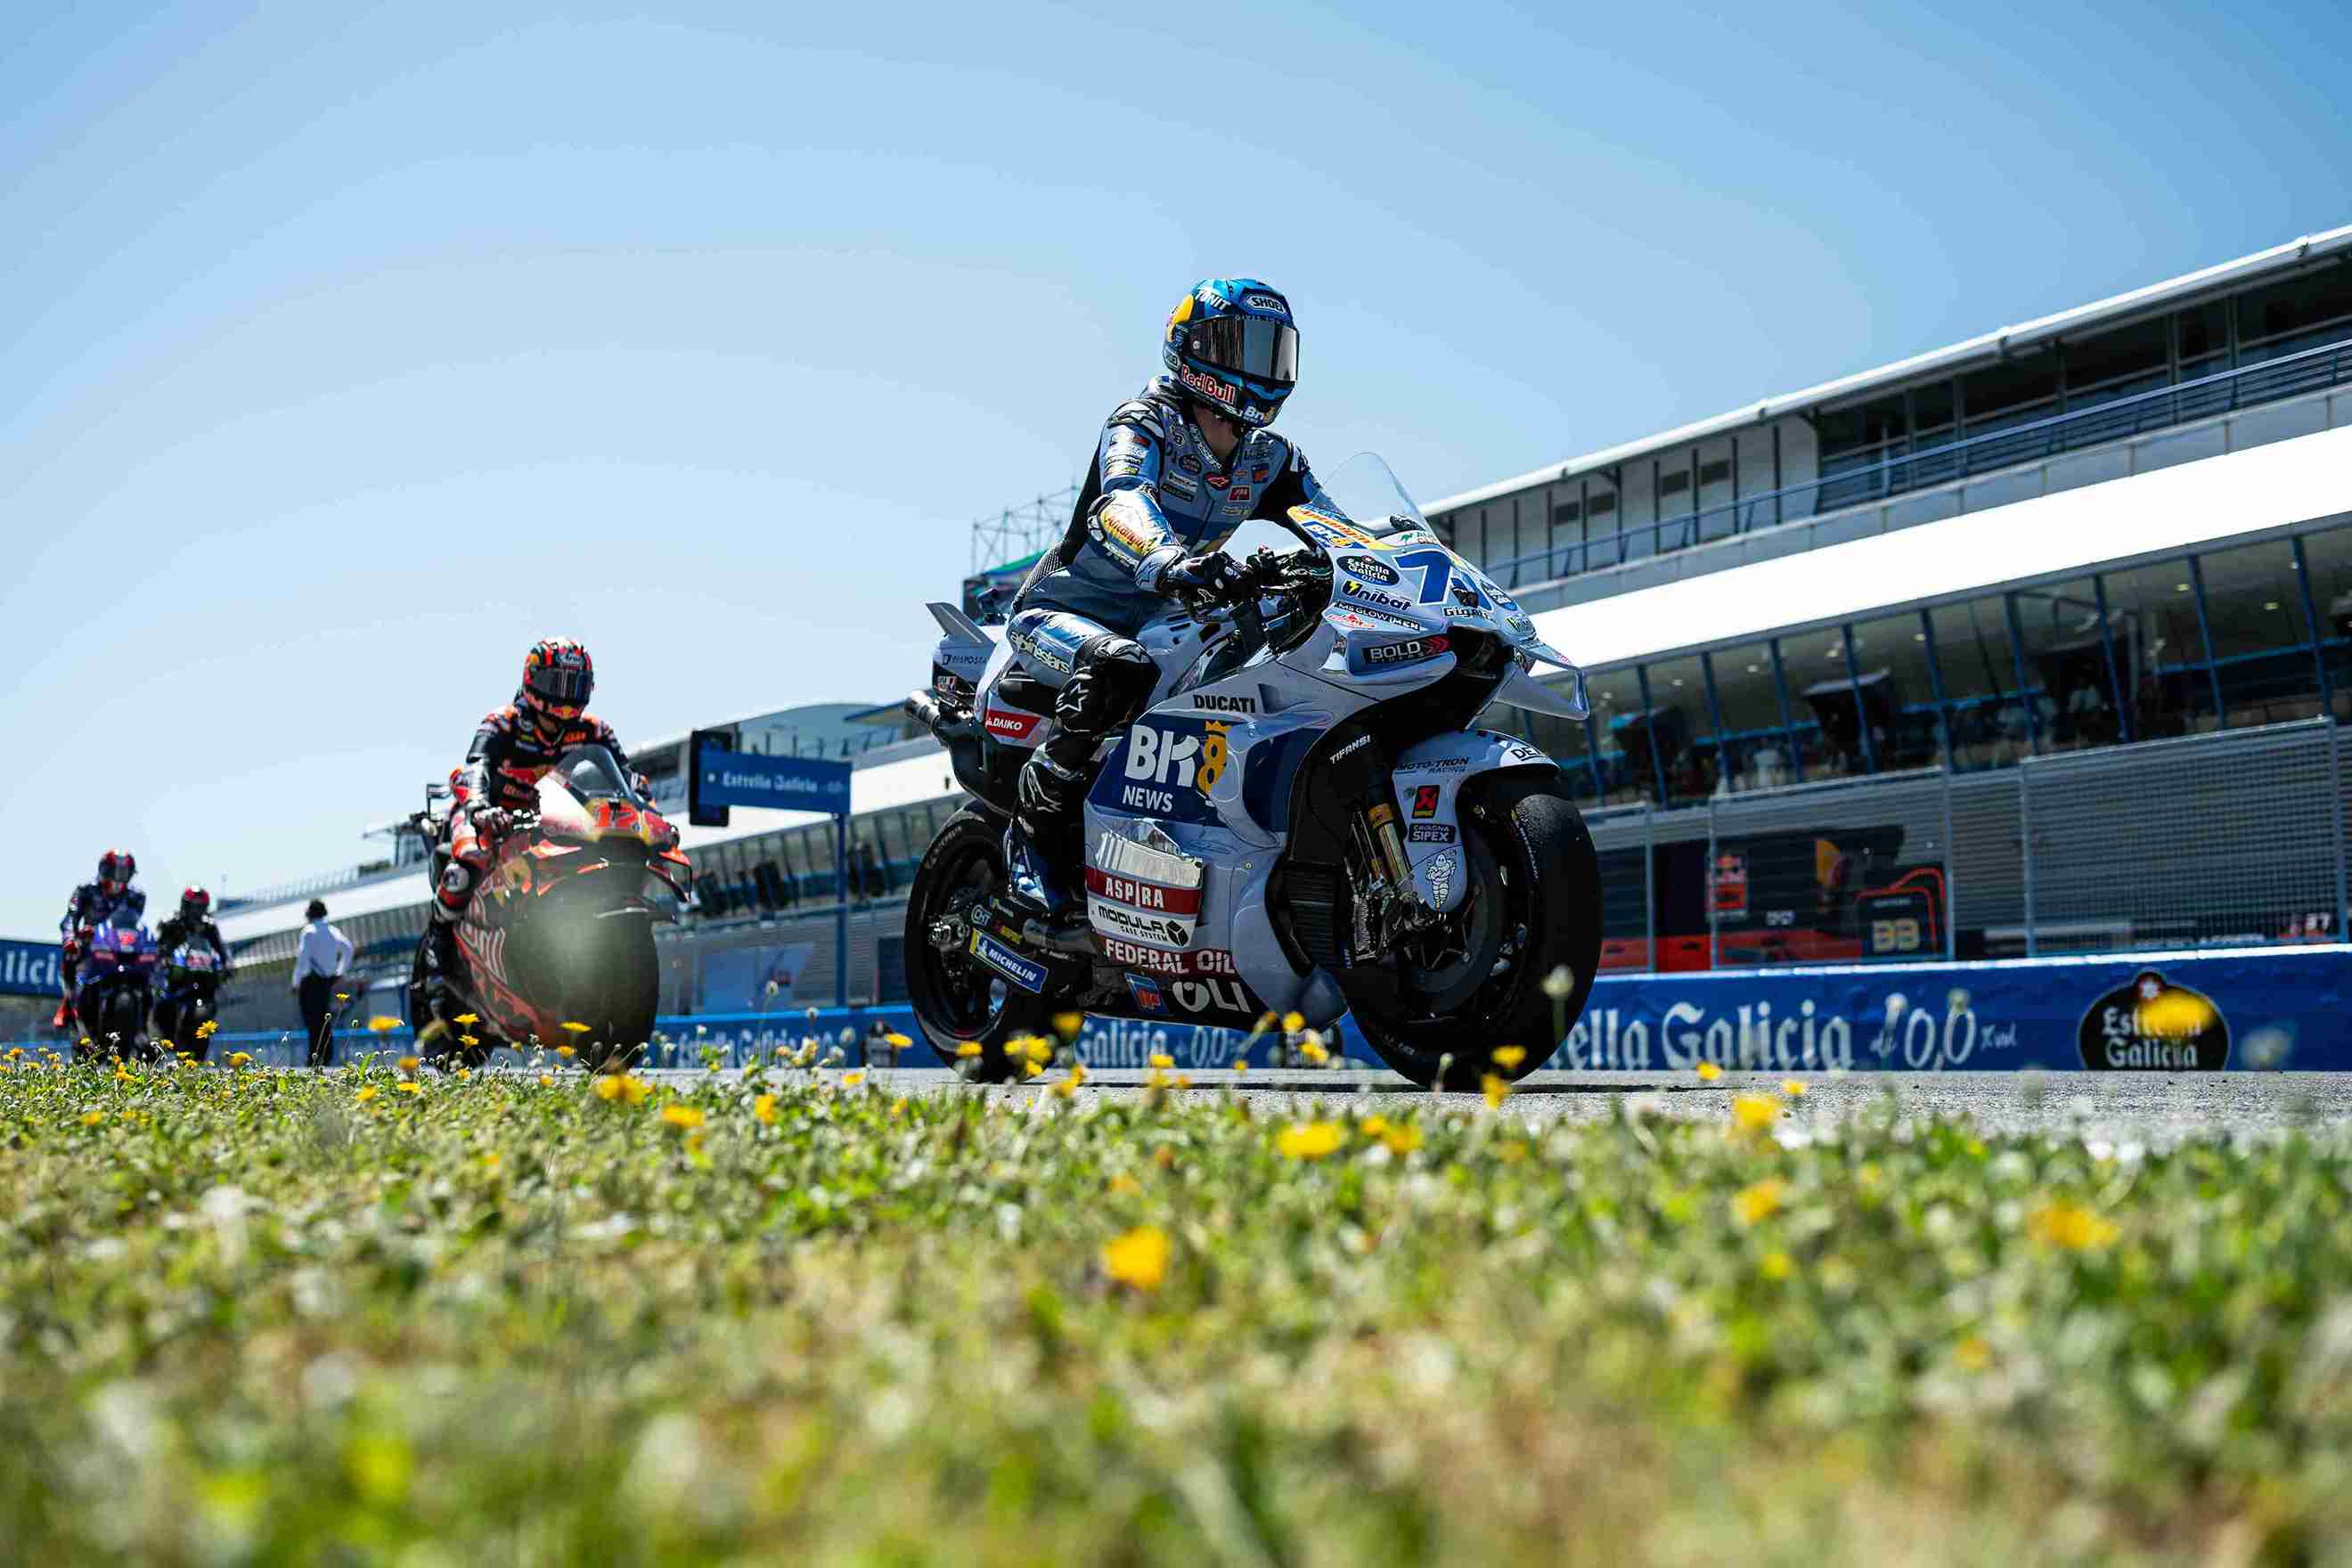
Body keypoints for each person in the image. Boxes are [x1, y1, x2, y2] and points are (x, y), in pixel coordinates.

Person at [999, 278, 1335, 919]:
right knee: (1121, 668)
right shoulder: (1144, 421)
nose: (1260, 367)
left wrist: (1381, 559)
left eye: (1273, 351)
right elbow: (1120, 501)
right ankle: (1030, 841)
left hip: (1166, 620)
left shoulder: (1268, 458)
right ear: (1194, 348)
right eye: (1243, 346)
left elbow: (1338, 526)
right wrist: (1169, 559)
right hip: (1064, 614)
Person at [421, 638, 644, 1009]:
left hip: (557, 820)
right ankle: (438, 944)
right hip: (493, 815)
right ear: (533, 679)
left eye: (576, 685)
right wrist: (479, 806)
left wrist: (644, 806)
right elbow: (476, 765)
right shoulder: (502, 723)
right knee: (464, 865)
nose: (567, 695)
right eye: (558, 683)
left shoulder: (596, 731)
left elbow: (628, 778)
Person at [54, 848, 146, 1029]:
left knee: (149, 968)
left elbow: (136, 923)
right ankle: (68, 1003)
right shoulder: (86, 890)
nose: (119, 877)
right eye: (115, 871)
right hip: (90, 942)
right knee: (71, 954)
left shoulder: (137, 896)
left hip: (121, 945)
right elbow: (70, 918)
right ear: (104, 869)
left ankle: (143, 1027)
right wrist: (70, 938)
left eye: (124, 872)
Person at [290, 898, 352, 1067]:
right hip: (326, 981)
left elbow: (302, 960)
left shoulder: (308, 932)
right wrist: (340, 973)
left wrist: (295, 983)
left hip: (310, 981)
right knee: (324, 1018)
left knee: (311, 1021)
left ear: (309, 914)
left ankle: (314, 1058)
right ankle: (327, 1054)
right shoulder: (333, 931)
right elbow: (348, 948)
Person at [156, 886, 234, 973]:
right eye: (195, 906)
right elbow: (160, 948)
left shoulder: (209, 926)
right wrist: (164, 960)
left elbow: (220, 947)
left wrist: (227, 962)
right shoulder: (172, 924)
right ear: (186, 906)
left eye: (201, 907)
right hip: (177, 972)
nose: (197, 911)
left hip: (206, 971)